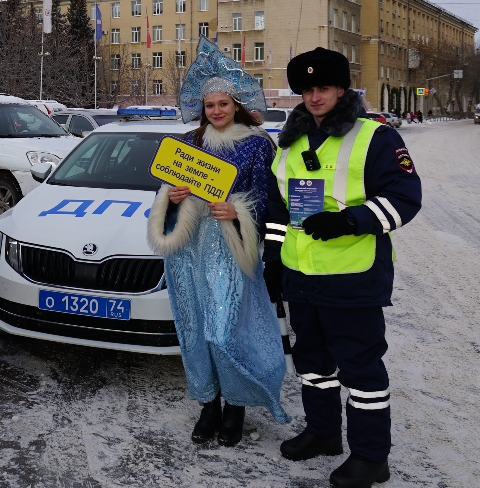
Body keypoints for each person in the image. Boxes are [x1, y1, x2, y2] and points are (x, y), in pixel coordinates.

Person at [263, 47, 422, 488]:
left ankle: (372, 457)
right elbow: (278, 206)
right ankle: (323, 433)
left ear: (341, 89)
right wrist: (274, 258)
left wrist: (350, 220)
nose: (315, 97)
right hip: (301, 275)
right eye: (307, 89)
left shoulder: (375, 136)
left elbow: (405, 199)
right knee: (312, 363)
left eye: (324, 88)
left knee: (361, 369)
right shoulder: (291, 141)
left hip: (353, 276)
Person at [146, 37, 288, 446]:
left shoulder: (258, 146)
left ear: (236, 105)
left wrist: (238, 213)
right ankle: (209, 406)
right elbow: (165, 191)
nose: (216, 111)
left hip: (228, 250)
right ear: (202, 109)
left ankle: (236, 410)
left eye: (223, 104)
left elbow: (266, 201)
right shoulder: (189, 144)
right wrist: (170, 199)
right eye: (210, 106)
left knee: (224, 331)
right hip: (189, 251)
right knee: (194, 330)